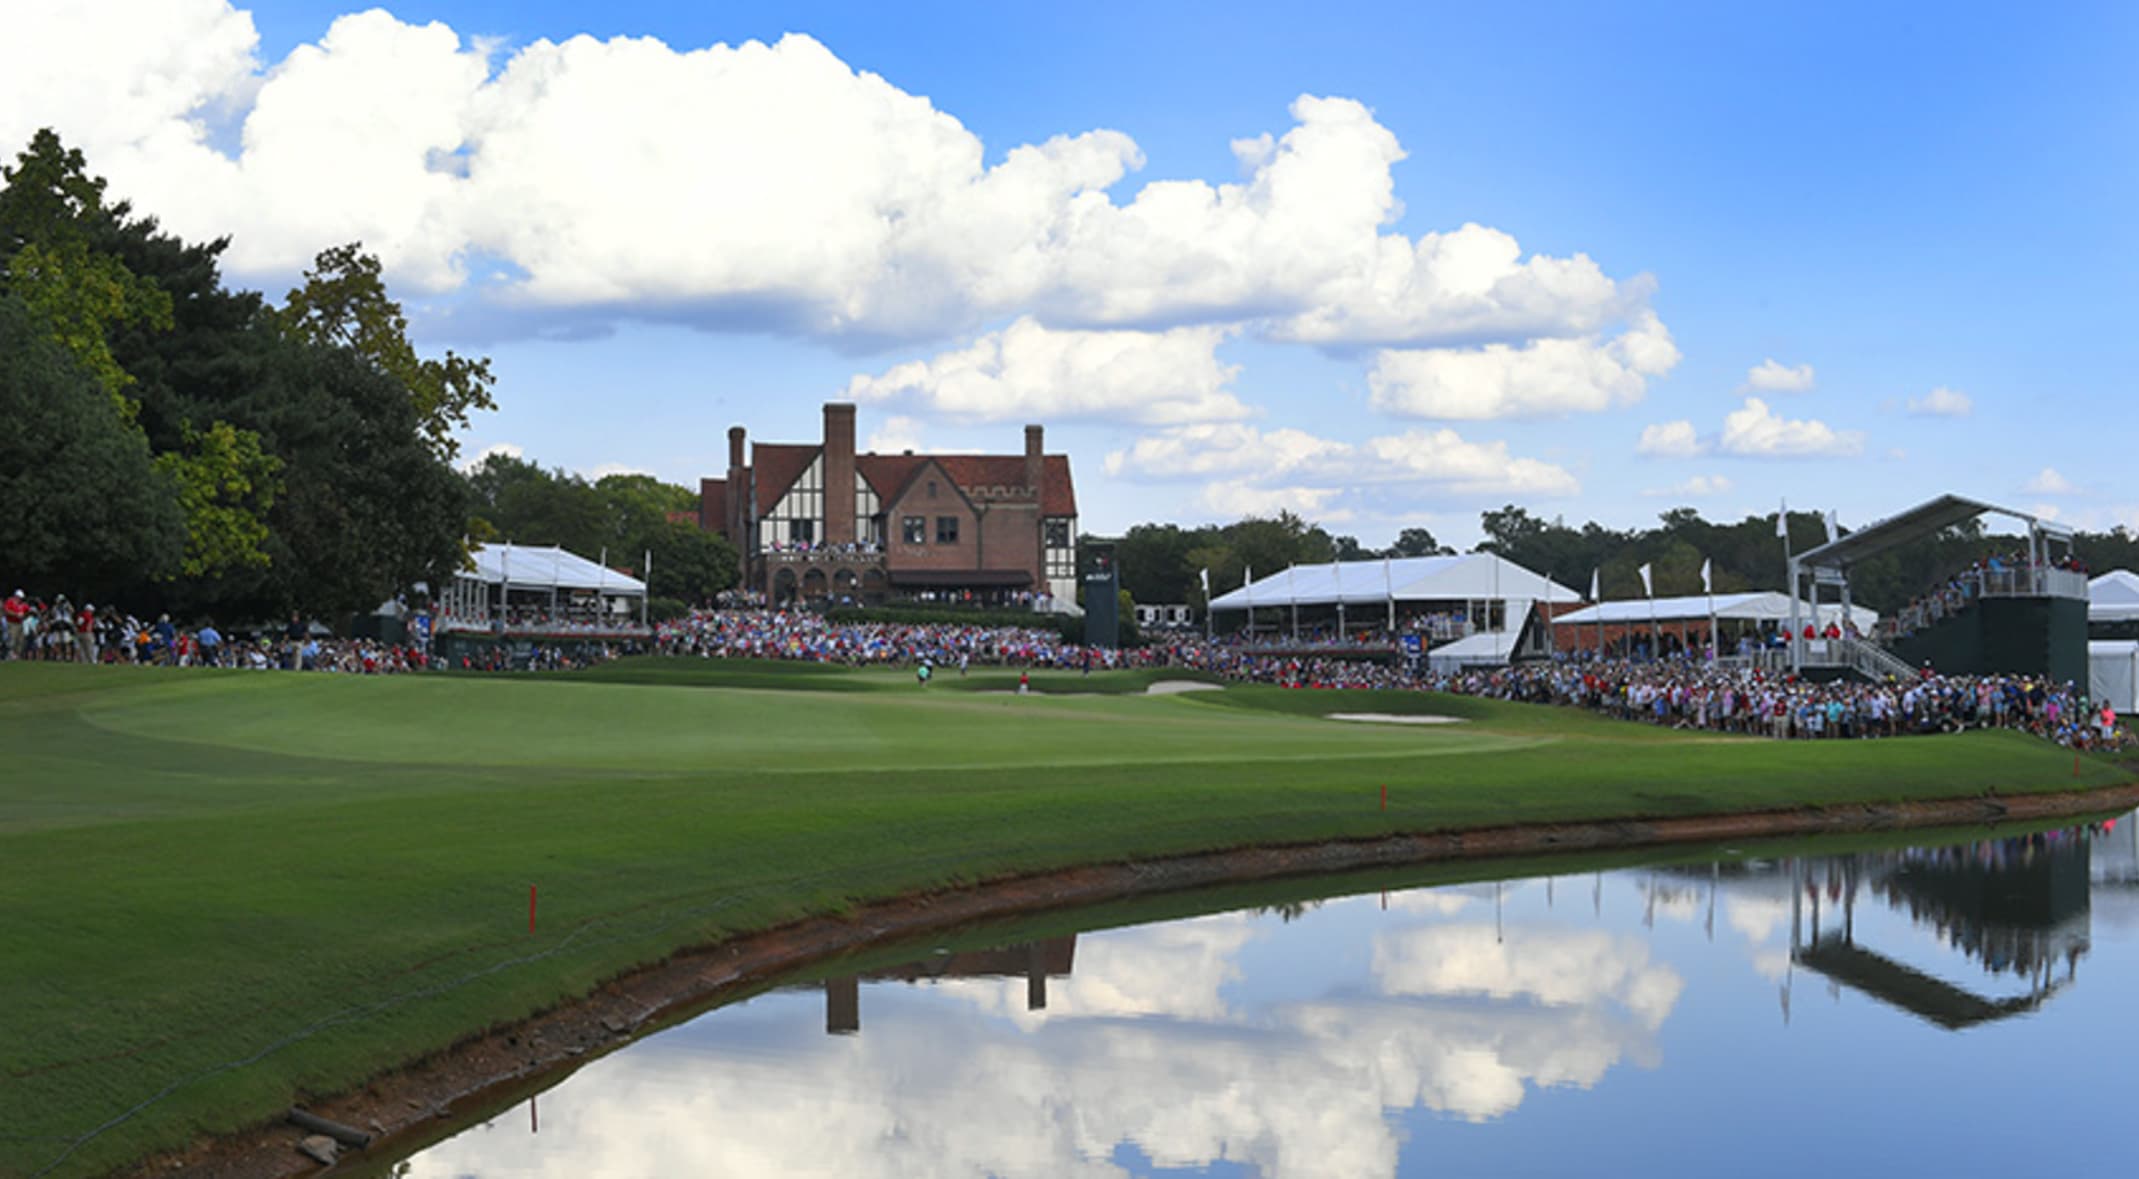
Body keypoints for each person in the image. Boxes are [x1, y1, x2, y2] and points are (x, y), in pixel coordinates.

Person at [4, 590, 28, 659]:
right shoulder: (10, 601)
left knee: (21, 640)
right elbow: (7, 611)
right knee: (13, 639)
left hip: (20, 623)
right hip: (12, 623)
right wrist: (16, 614)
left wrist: (24, 615)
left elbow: (27, 611)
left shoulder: (23, 604)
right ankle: (10, 654)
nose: (20, 599)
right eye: (19, 597)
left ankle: (17, 654)